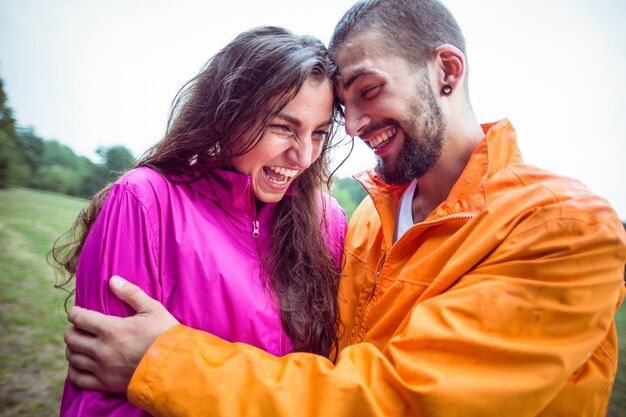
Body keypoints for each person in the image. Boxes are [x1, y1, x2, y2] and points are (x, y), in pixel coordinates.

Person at [64, 0, 626, 416]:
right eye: (345, 108)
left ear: (447, 72)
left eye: (369, 90)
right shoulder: (362, 223)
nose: (353, 128)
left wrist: (166, 360)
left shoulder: (563, 226)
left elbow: (399, 400)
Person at [54, 26, 347, 416]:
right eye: (283, 127)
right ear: (227, 116)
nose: (303, 156)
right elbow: (97, 401)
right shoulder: (145, 201)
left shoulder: (331, 222)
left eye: (319, 133)